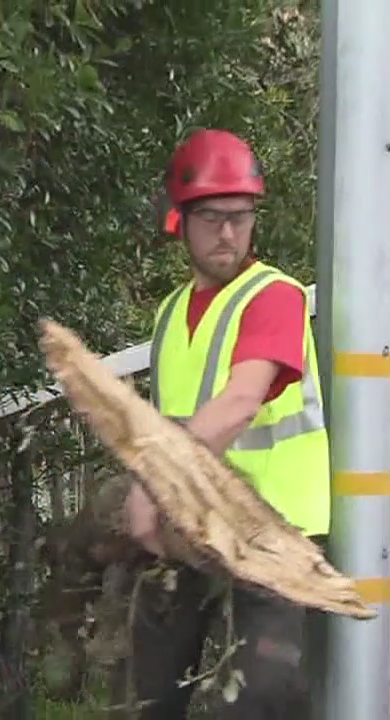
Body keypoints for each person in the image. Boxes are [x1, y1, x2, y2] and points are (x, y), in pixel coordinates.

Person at [113, 128, 329, 720]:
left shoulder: (273, 296)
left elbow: (240, 402)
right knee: (152, 694)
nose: (228, 232)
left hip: (269, 533)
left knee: (258, 699)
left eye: (240, 215)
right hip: (191, 533)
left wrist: (149, 483)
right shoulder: (171, 313)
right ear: (180, 220)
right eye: (211, 216)